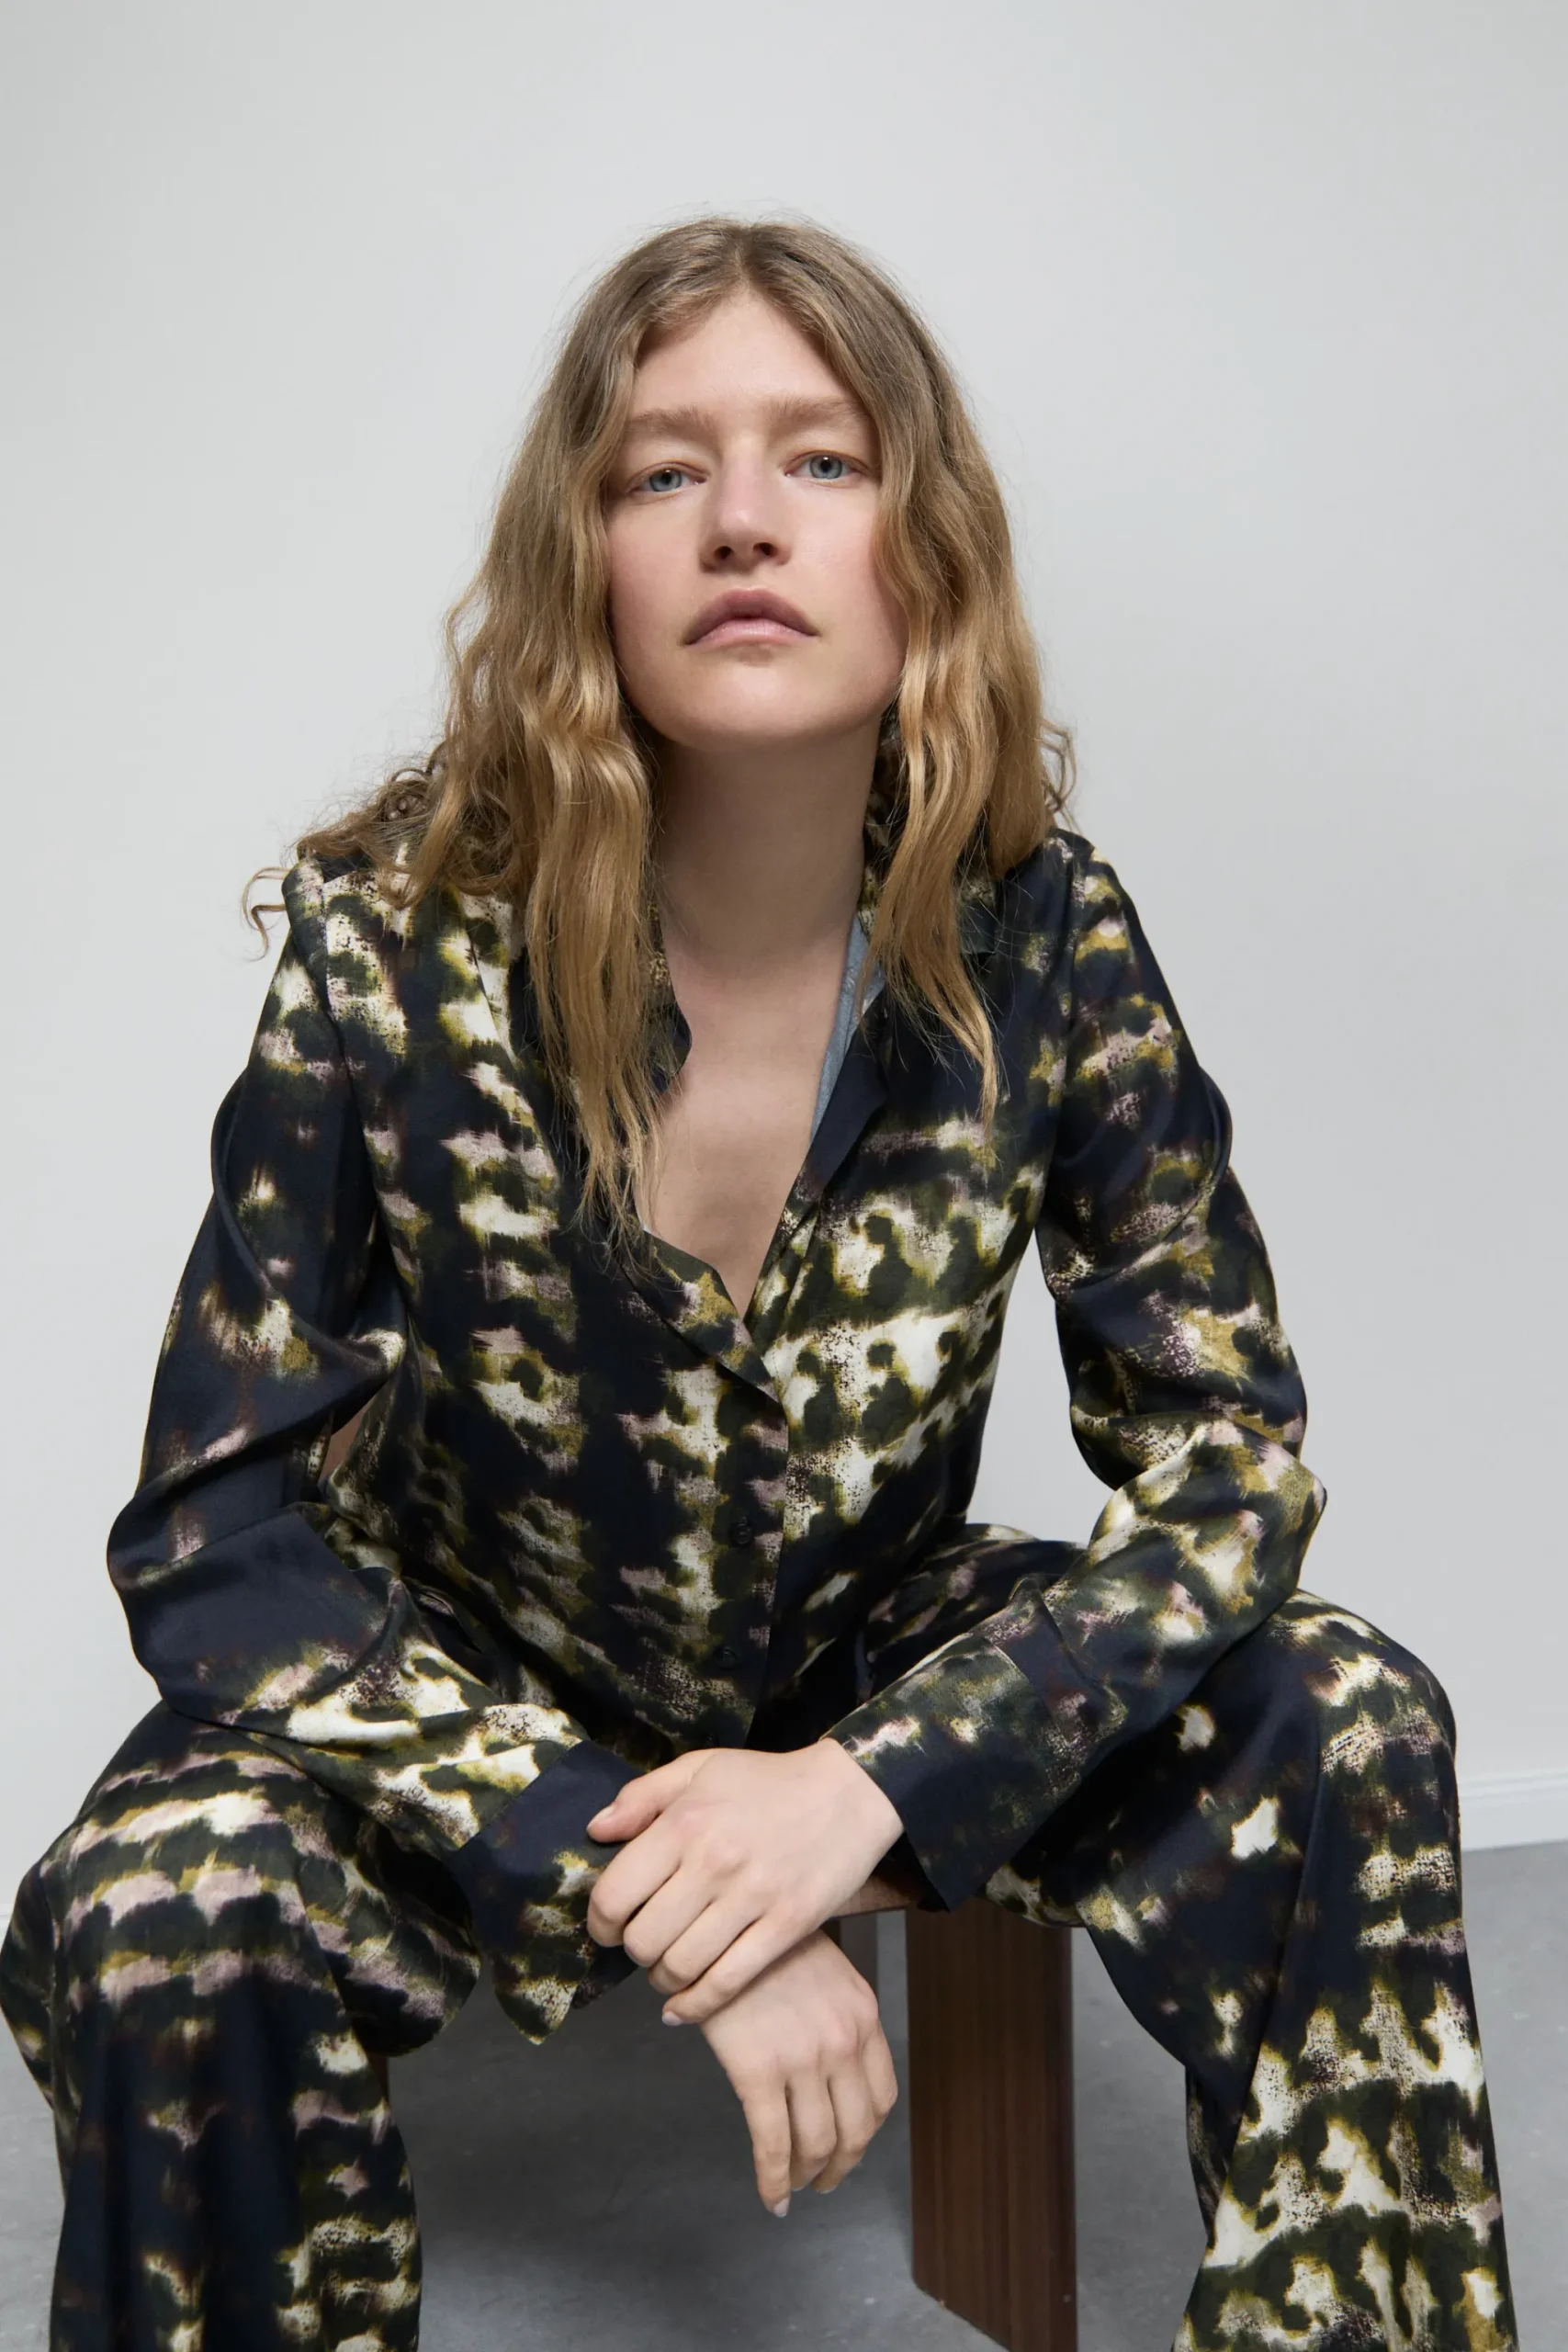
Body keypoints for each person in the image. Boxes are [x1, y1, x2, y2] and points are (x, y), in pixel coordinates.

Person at [0, 214, 1517, 2352]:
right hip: (482, 1680)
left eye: (821, 458)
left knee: (1348, 1706)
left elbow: (1228, 1465)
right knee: (149, 1898)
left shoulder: (1047, 938)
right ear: (587, 561)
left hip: (857, 1656)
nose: (740, 520)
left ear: (925, 543)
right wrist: (631, 1861)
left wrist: (871, 1784)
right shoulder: (390, 951)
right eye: (662, 469)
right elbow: (214, 1529)